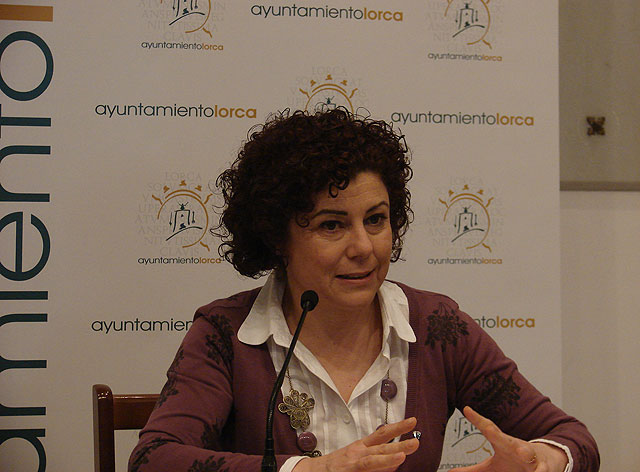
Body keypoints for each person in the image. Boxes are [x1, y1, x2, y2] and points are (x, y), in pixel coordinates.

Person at [129, 108, 599, 472]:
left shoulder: (437, 326)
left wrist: (539, 462)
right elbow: (154, 459)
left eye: (376, 220)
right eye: (332, 225)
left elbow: (573, 440)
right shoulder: (225, 334)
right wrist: (311, 470)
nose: (364, 248)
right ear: (276, 237)